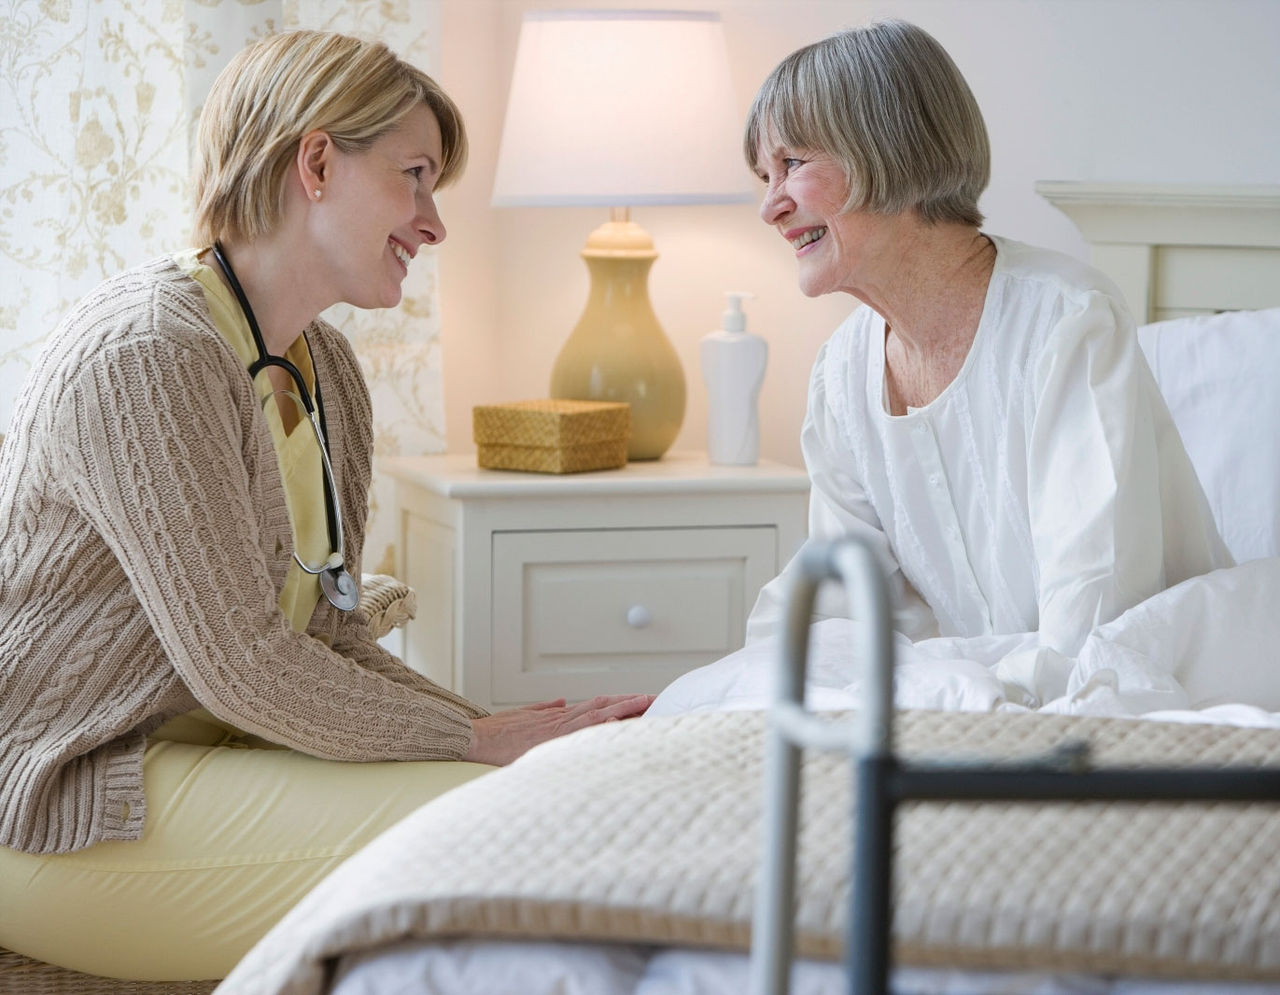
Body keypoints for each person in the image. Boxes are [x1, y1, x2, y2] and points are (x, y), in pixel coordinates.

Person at [0, 30, 651, 982]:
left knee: (542, 798)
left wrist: (523, 738)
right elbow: (243, 664)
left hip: (202, 757)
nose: (434, 223)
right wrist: (478, 740)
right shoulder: (144, 356)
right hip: (62, 801)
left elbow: (333, 639)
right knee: (505, 838)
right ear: (316, 162)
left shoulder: (324, 365)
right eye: (415, 177)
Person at [742, 20, 1232, 698]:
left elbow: (1094, 623)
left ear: (891, 146)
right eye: (764, 175)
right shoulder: (839, 374)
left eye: (793, 163)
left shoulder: (1066, 320)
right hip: (970, 708)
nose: (770, 205)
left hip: (1134, 703)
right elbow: (835, 611)